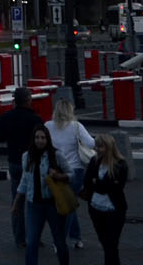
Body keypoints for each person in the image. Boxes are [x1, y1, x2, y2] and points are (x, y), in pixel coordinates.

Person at [0, 86, 44, 248]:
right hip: (31, 163)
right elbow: (41, 142)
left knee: (17, 200)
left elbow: (0, 138)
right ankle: (35, 236)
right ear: (28, 100)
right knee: (35, 202)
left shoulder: (5, 117)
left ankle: (19, 238)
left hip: (14, 162)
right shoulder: (35, 119)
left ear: (14, 101)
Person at [12, 125, 71, 265]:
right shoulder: (27, 156)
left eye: (43, 138)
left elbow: (71, 174)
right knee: (32, 242)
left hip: (53, 205)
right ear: (33, 139)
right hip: (34, 206)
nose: (40, 140)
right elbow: (24, 181)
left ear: (47, 139)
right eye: (37, 137)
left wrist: (58, 175)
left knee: (60, 242)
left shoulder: (56, 155)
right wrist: (16, 203)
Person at [45, 90, 95, 250]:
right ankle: (69, 239)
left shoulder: (48, 126)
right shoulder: (76, 127)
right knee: (68, 205)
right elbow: (91, 144)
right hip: (75, 171)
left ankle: (70, 238)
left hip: (55, 171)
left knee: (64, 205)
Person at [81, 133, 130, 265]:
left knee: (111, 245)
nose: (97, 149)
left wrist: (96, 182)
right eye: (96, 146)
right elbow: (87, 182)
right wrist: (99, 183)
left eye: (100, 147)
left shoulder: (120, 164)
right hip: (96, 209)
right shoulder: (94, 161)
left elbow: (115, 187)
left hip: (114, 210)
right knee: (106, 244)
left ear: (109, 147)